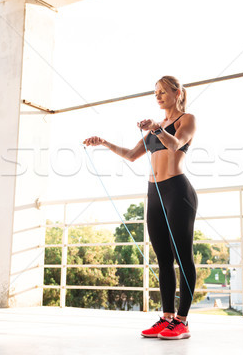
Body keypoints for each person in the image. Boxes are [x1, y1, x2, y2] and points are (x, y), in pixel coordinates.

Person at [83, 75, 198, 340]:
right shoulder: (156, 128)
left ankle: (182, 322)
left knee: (182, 256)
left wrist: (157, 128)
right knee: (163, 258)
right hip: (155, 193)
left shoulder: (187, 119)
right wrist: (104, 142)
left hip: (178, 192)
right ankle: (167, 318)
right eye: (155, 92)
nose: (158, 96)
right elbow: (132, 155)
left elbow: (175, 144)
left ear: (177, 92)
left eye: (162, 92)